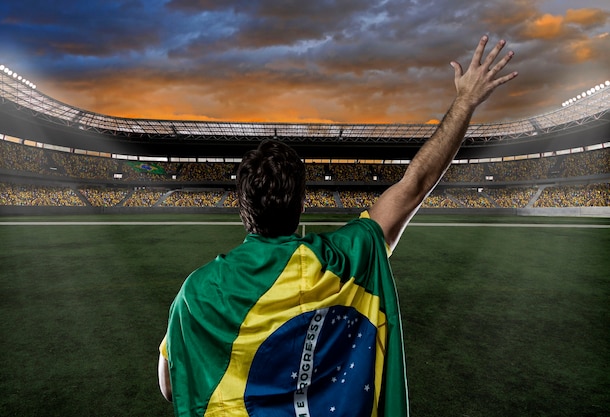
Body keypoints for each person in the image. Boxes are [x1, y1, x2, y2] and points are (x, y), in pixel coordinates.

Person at [158, 35, 518, 416]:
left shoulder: (196, 293)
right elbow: (415, 184)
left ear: (241, 206)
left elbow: (170, 385)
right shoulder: (346, 260)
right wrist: (464, 101)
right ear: (302, 203)